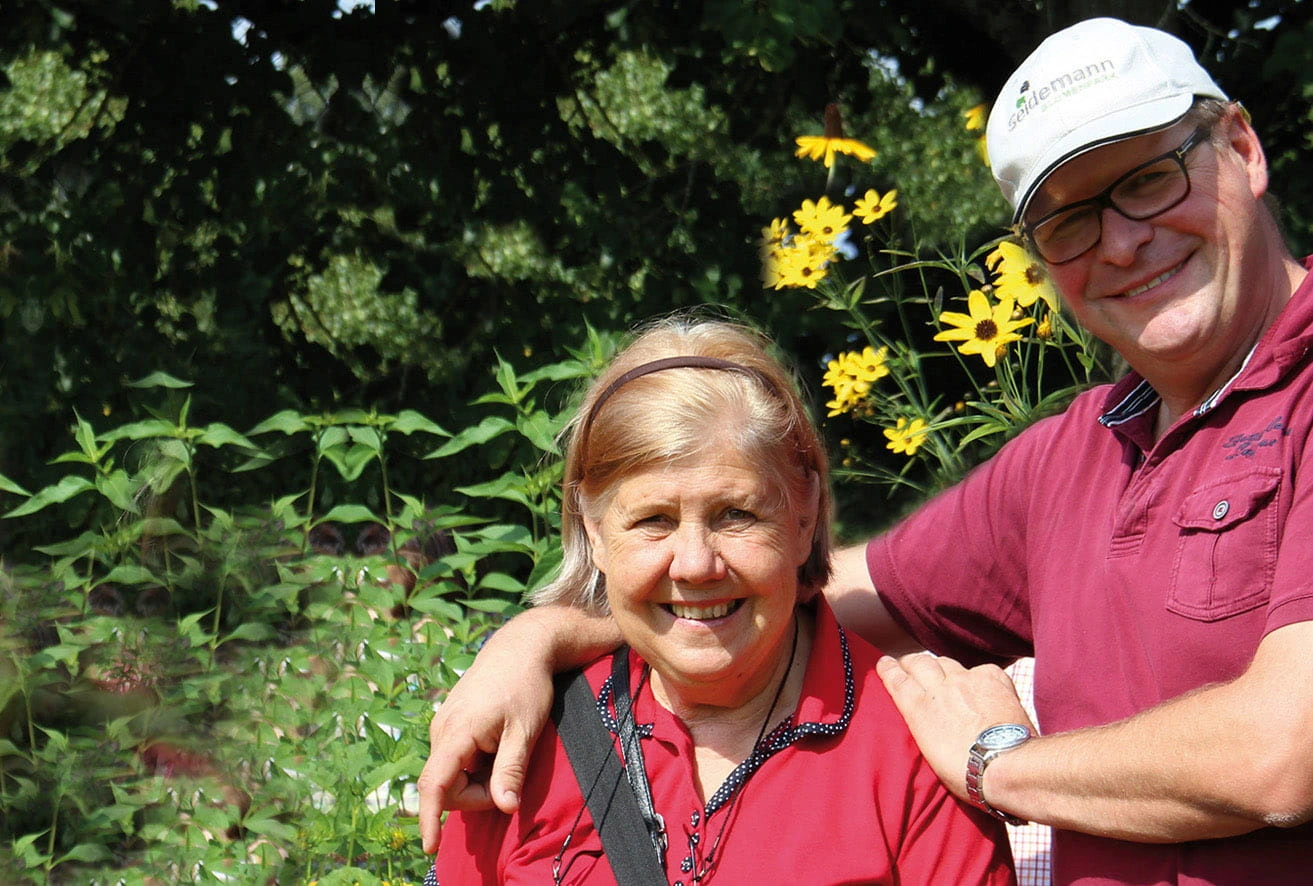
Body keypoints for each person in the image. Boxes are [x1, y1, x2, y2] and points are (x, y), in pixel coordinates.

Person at [419, 17, 1313, 885]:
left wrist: (997, 766)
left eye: (1150, 178)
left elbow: (1283, 756)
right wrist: (545, 635)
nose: (1120, 240)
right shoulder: (1076, 457)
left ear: (1240, 147)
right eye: (1066, 220)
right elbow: (799, 580)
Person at [426, 317, 1016, 884]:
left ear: (804, 512)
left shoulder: (914, 748)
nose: (695, 565)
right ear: (595, 529)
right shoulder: (521, 742)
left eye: (736, 515)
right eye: (653, 520)